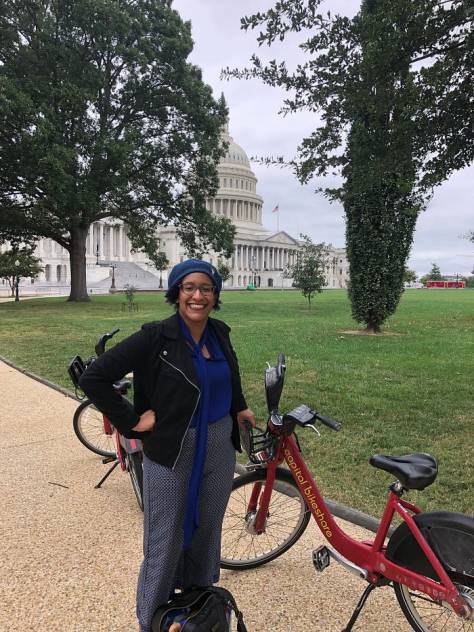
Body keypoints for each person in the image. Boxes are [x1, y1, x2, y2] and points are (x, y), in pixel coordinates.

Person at [79, 259, 255, 632]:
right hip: (173, 449)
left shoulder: (219, 333)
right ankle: (152, 619)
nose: (198, 295)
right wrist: (131, 419)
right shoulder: (155, 337)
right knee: (165, 538)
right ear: (176, 293)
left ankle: (196, 608)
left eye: (206, 289)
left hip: (219, 448)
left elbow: (230, 372)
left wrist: (239, 406)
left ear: (215, 295)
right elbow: (95, 377)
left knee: (207, 530)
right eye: (189, 287)